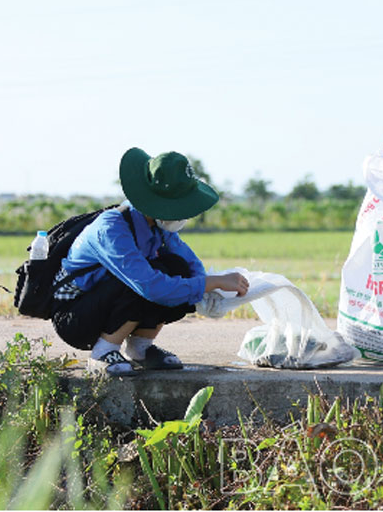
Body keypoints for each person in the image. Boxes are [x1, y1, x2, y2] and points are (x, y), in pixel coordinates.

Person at [50, 148, 249, 377]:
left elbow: (189, 263)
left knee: (176, 269)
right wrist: (211, 283)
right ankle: (103, 352)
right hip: (76, 316)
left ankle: (140, 349)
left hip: (107, 301)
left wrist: (209, 289)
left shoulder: (158, 227)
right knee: (144, 283)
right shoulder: (112, 229)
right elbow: (149, 286)